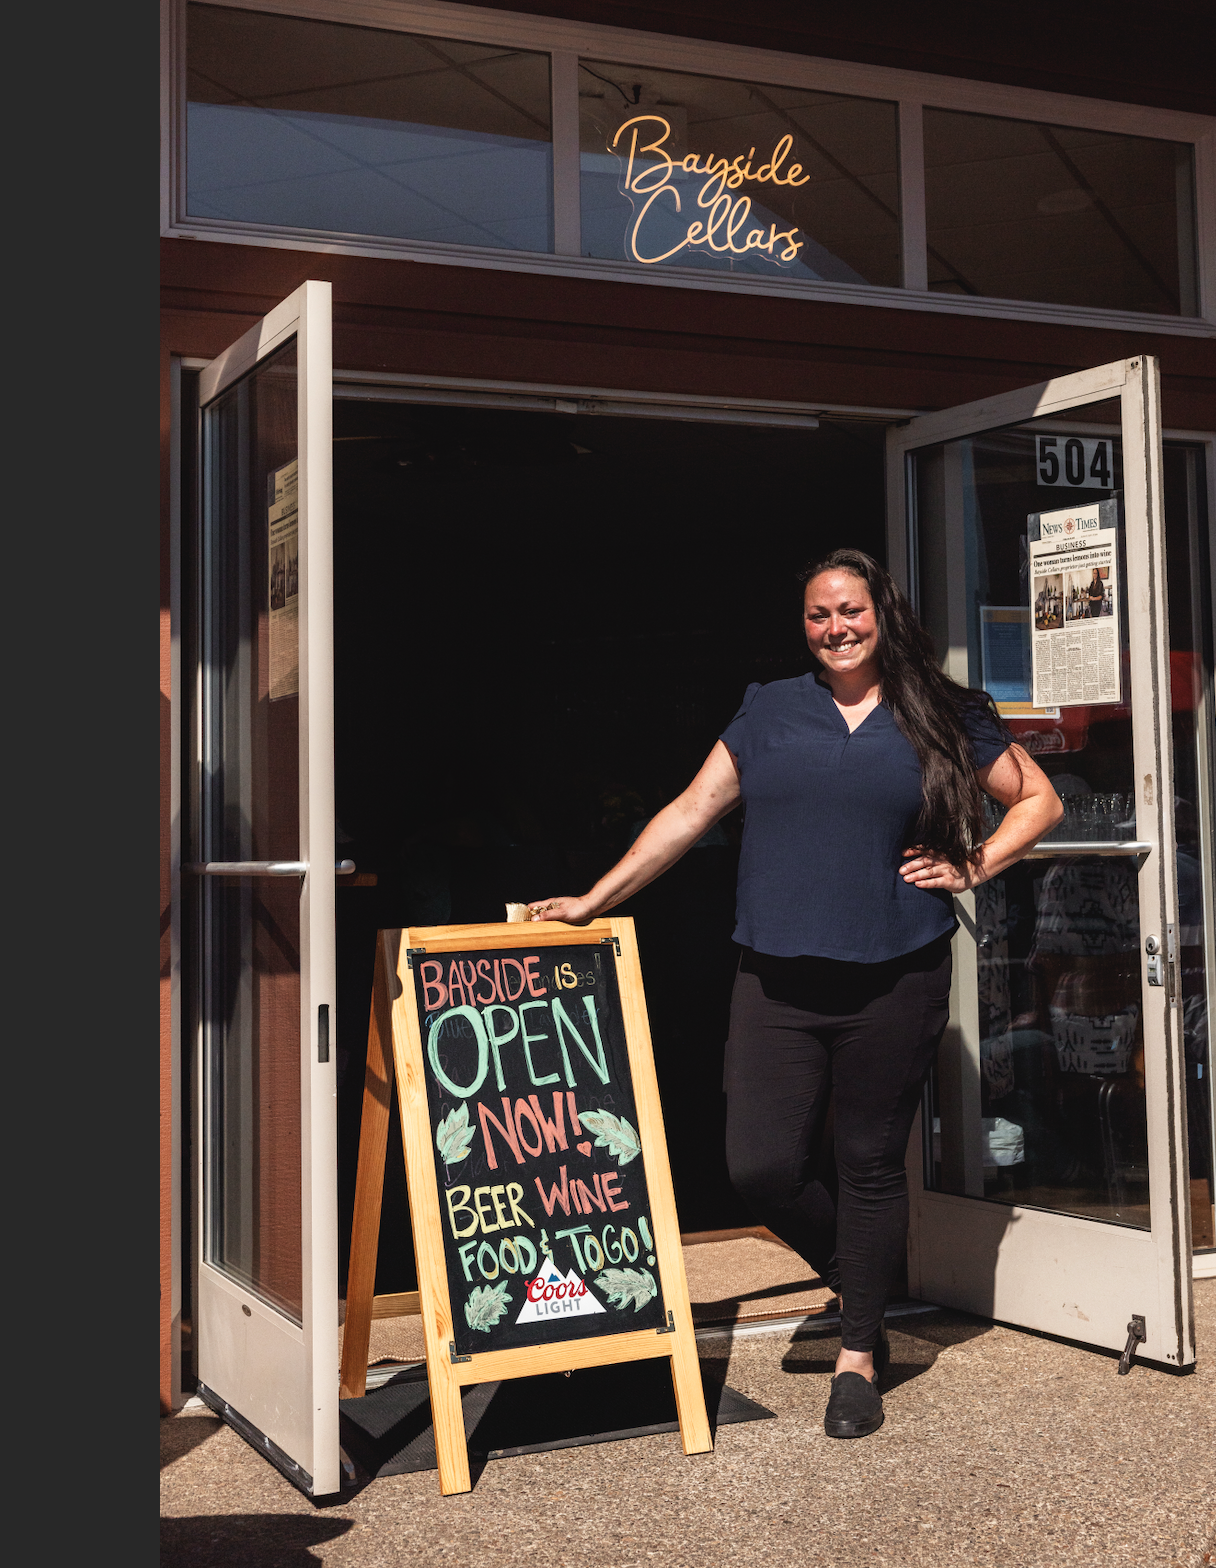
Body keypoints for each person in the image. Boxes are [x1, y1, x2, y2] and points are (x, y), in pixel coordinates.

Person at [529, 549, 1062, 1439]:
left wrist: (973, 865)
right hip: (776, 976)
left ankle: (859, 1353)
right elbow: (690, 811)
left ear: (881, 614)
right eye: (819, 615)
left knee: (867, 1162)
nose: (837, 628)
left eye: (850, 610)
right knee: (760, 1166)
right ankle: (863, 1276)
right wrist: (593, 899)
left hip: (896, 973)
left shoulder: (942, 711)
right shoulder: (769, 709)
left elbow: (1039, 801)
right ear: (804, 626)